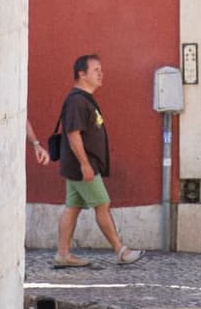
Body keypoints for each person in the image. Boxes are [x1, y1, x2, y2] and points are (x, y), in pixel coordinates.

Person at [51, 53, 140, 266]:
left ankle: (63, 255)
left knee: (73, 207)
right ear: (82, 74)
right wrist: (85, 164)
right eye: (96, 70)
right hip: (82, 166)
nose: (101, 74)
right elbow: (73, 134)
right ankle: (121, 250)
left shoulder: (84, 99)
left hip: (81, 165)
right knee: (103, 204)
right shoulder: (77, 101)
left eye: (101, 70)